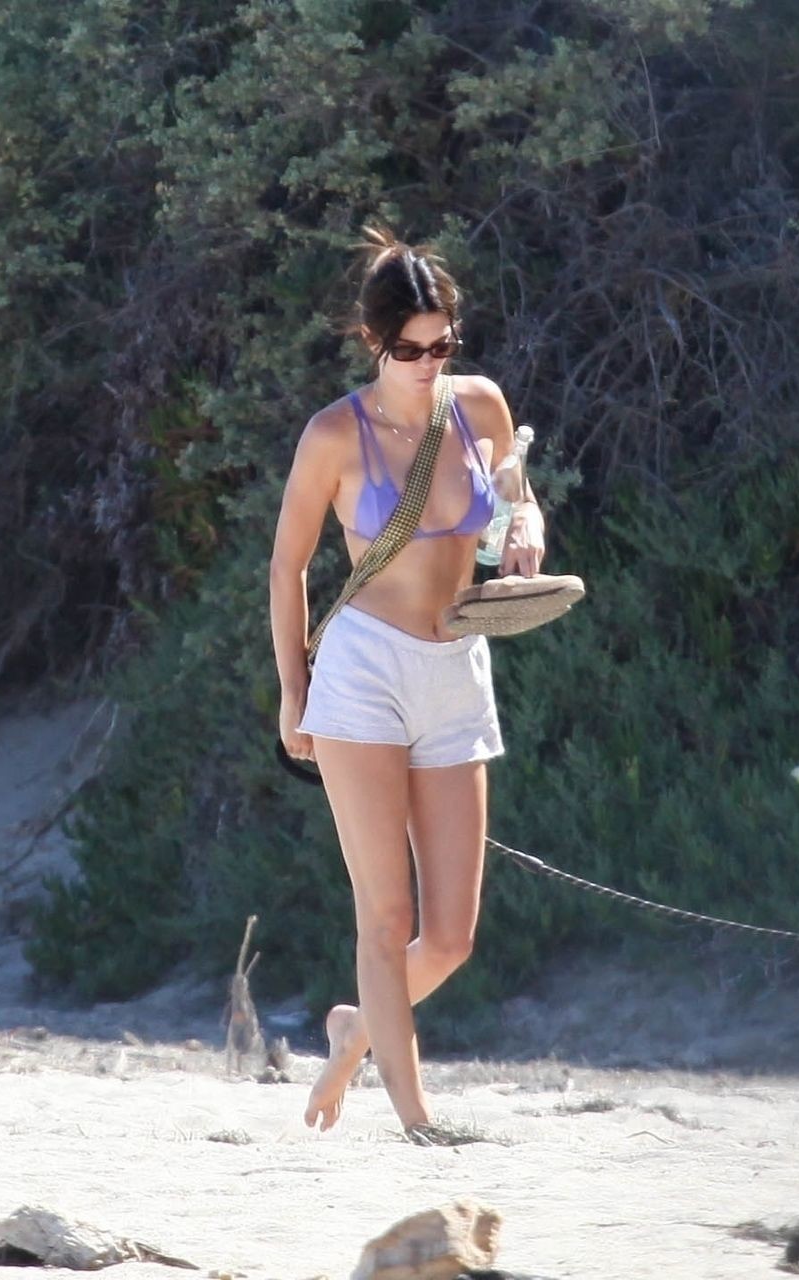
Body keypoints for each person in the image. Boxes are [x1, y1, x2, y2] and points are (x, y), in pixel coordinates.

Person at [269, 228, 545, 1137]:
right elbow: (287, 566)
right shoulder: (334, 435)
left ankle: (356, 1035)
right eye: (409, 349)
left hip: (456, 664)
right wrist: (293, 689)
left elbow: (515, 492)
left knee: (452, 937)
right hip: (363, 672)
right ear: (372, 340)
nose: (428, 365)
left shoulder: (480, 405)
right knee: (385, 919)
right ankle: (417, 1120)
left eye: (442, 345)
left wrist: (526, 526)